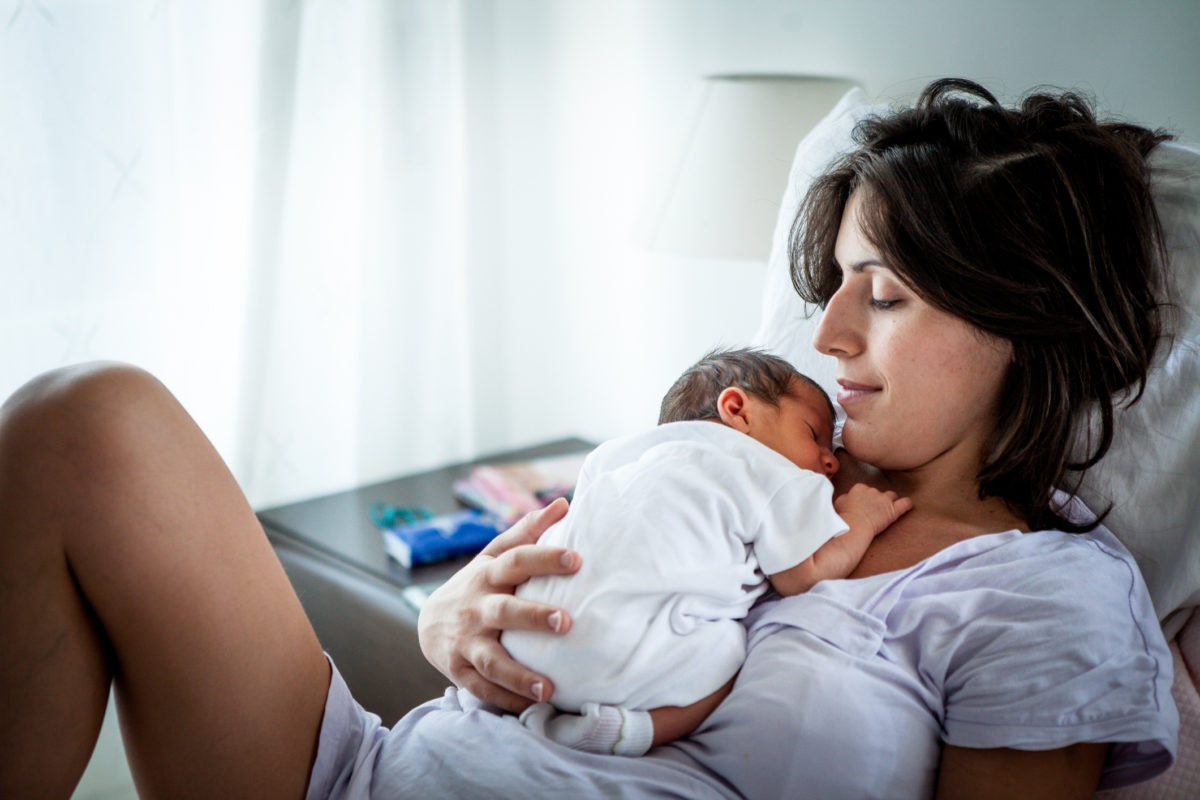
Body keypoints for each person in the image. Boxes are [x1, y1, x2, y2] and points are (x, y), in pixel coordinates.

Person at [0, 78, 1178, 799]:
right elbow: (550, 577)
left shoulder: (1043, 593)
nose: (823, 330)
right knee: (85, 416)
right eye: (833, 282)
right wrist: (446, 618)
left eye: (883, 291)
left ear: (1019, 317)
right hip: (382, 767)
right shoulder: (759, 445)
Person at [502, 347, 911, 756]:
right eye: (813, 434)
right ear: (737, 409)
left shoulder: (616, 455)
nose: (830, 461)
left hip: (521, 641)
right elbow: (804, 575)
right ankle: (629, 730)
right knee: (733, 649)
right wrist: (861, 519)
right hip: (618, 660)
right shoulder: (771, 471)